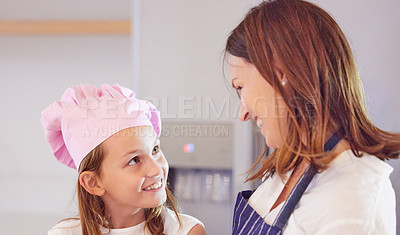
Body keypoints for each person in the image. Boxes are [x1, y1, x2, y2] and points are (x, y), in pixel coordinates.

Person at [224, 0, 400, 234]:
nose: (243, 113)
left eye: (241, 87)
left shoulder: (353, 199)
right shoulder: (293, 162)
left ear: (280, 73)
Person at [41, 84, 206, 235]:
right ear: (94, 183)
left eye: (155, 150)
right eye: (134, 160)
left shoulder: (186, 231)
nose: (156, 169)